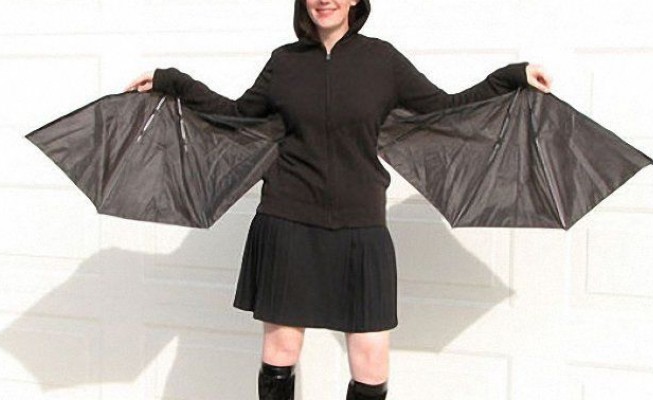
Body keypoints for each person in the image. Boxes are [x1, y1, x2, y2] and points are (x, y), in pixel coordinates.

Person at [124, 1, 552, 399]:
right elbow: (237, 116)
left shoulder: (382, 60)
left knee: (371, 360)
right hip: (287, 218)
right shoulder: (284, 62)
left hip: (360, 225)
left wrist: (511, 77)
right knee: (281, 348)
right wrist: (172, 82)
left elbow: (445, 110)